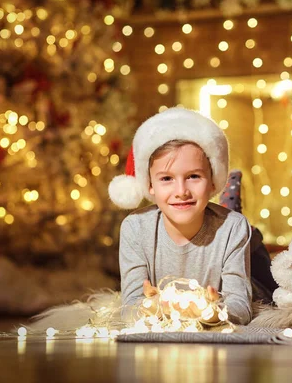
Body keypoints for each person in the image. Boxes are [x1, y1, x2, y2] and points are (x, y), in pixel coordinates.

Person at [108, 108, 252, 325]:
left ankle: (233, 202)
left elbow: (241, 307)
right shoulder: (135, 228)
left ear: (213, 181)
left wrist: (214, 312)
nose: (181, 191)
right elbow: (129, 309)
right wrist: (151, 308)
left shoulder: (233, 227)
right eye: (166, 179)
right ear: (149, 184)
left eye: (194, 176)